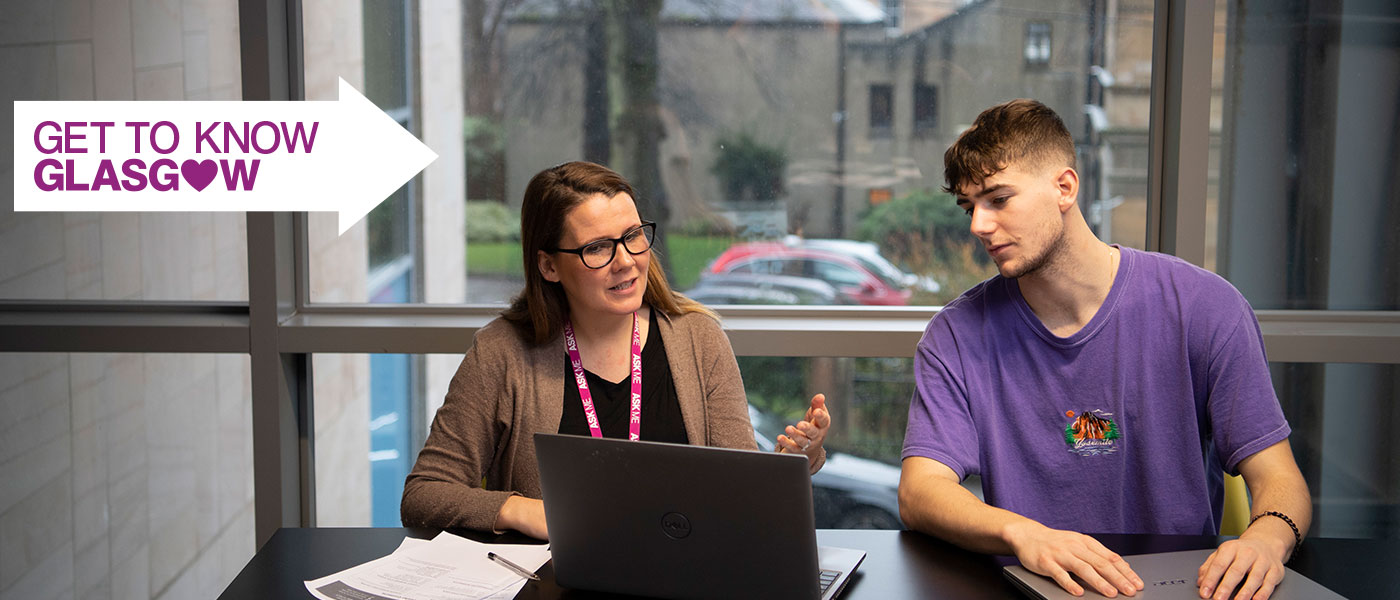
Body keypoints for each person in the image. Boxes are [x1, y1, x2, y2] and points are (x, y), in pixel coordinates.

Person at [897, 99, 1311, 600]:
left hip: (1182, 588)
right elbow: (920, 492)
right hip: (1029, 589)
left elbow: (1278, 477)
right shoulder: (955, 336)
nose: (978, 227)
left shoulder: (1205, 307)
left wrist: (1267, 539)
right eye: (969, 207)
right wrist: (1024, 534)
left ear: (1064, 187)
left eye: (998, 199)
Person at [402, 161, 830, 540]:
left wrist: (791, 464)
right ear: (549, 266)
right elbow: (423, 494)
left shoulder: (699, 339)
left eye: (632, 237)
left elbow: (739, 491)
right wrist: (520, 510)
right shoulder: (502, 352)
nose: (625, 261)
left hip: (680, 582)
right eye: (598, 248)